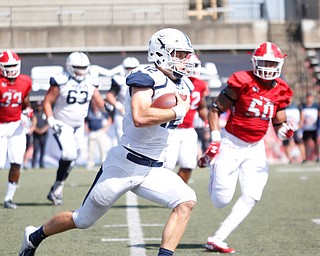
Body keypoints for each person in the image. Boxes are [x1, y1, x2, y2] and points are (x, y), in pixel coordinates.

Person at [19, 28, 197, 256]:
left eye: (186, 55)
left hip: (153, 168)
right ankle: (34, 237)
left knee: (186, 200)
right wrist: (175, 110)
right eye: (179, 54)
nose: (185, 60)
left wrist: (174, 111)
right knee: (82, 219)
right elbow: (141, 117)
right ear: (161, 53)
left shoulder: (185, 85)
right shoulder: (146, 75)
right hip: (124, 164)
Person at [198, 42, 294, 253]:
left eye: (272, 63)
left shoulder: (281, 90)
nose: (268, 67)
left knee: (253, 194)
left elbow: (278, 124)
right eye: (264, 62)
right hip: (231, 143)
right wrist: (215, 140)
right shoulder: (242, 81)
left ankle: (218, 238)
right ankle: (213, 167)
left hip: (255, 148)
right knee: (220, 201)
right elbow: (215, 111)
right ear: (254, 62)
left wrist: (284, 132)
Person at [43, 51, 107, 206]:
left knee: (72, 160)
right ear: (70, 67)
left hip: (78, 125)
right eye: (77, 67)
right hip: (62, 123)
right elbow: (47, 102)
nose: (80, 71)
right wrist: (51, 120)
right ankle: (57, 188)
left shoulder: (91, 81)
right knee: (68, 154)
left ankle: (56, 189)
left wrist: (109, 109)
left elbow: (99, 102)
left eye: (83, 67)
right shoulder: (61, 81)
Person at [164, 54, 209, 183]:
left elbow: (201, 107)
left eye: (194, 66)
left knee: (189, 164)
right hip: (171, 128)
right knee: (167, 165)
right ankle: (163, 191)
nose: (190, 69)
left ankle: (176, 192)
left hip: (188, 129)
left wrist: (209, 121)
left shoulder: (200, 85)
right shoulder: (171, 81)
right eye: (188, 66)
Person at [0, 50, 33, 209]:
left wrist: (28, 110)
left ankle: (9, 198)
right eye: (8, 66)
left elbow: (25, 102)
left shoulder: (25, 81)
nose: (11, 69)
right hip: (0, 125)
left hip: (16, 126)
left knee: (16, 162)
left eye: (14, 65)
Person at [105, 56, 140, 144]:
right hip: (122, 114)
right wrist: (118, 106)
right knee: (121, 140)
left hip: (138, 114)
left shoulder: (143, 79)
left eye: (133, 68)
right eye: (128, 68)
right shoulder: (120, 79)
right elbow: (110, 95)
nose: (131, 70)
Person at [85, 100, 112, 170]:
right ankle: (90, 164)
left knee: (102, 148)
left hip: (100, 131)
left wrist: (105, 129)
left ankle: (103, 163)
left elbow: (109, 119)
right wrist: (87, 130)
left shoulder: (102, 112)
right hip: (92, 132)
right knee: (91, 149)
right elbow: (85, 121)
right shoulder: (89, 112)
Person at [283, 99, 306, 163]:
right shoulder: (283, 106)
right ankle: (290, 159)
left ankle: (304, 158)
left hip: (296, 128)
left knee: (299, 142)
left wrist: (301, 123)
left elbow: (302, 114)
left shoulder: (297, 106)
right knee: (286, 143)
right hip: (286, 128)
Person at [300, 92, 319, 162]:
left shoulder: (316, 106)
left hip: (314, 128)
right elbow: (301, 117)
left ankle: (317, 156)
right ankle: (305, 157)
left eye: (310, 97)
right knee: (305, 143)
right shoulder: (303, 106)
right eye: (308, 97)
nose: (309, 99)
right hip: (306, 128)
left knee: (316, 143)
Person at [32, 101, 49, 169]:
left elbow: (48, 124)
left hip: (44, 134)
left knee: (43, 149)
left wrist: (42, 130)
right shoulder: (34, 114)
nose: (39, 107)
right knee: (35, 149)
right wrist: (37, 130)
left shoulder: (45, 114)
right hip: (36, 134)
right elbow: (32, 123)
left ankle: (41, 164)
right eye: (38, 106)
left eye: (40, 106)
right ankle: (33, 164)